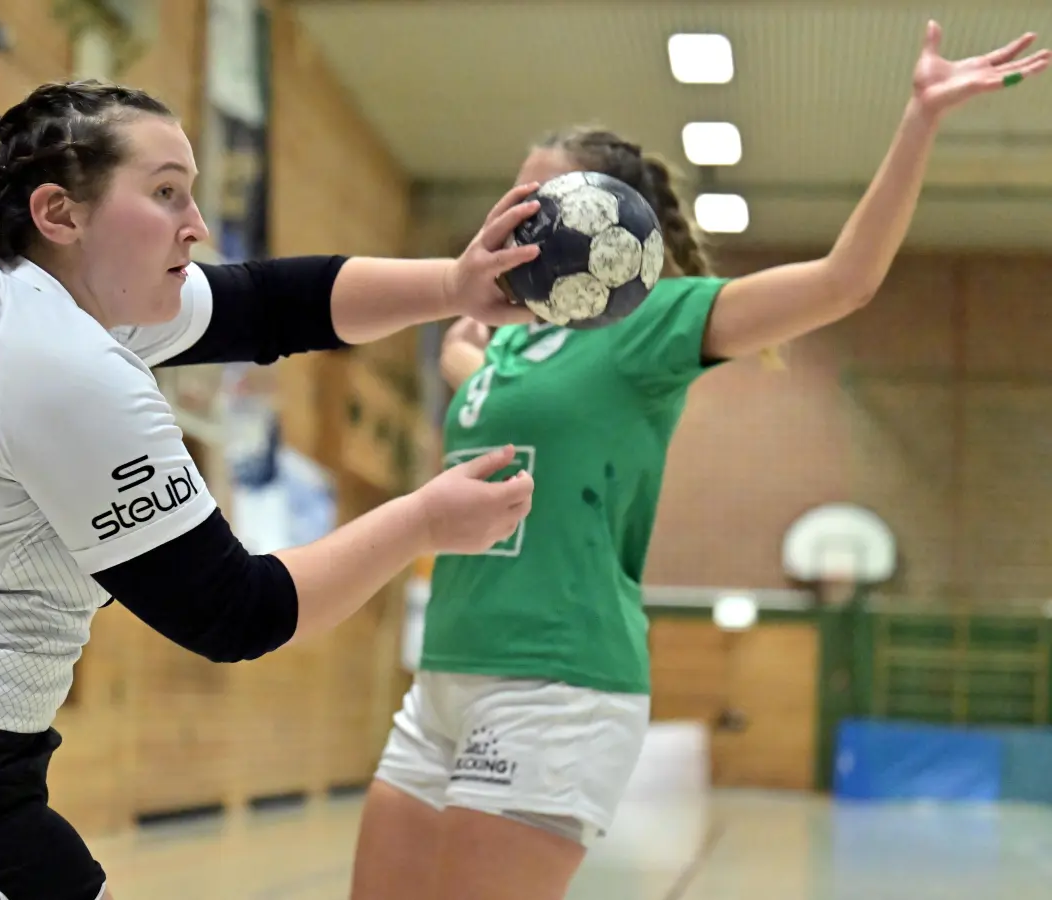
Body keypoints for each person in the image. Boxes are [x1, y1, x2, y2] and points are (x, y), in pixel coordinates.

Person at [0, 79, 549, 900]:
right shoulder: (65, 367)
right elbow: (237, 613)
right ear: (59, 213)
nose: (197, 225)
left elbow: (264, 304)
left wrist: (454, 287)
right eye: (165, 194)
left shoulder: (21, 294)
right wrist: (422, 521)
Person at [349, 22, 1047, 900]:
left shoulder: (651, 325)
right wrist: (467, 346)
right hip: (444, 673)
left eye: (535, 193)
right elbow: (481, 376)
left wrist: (920, 120)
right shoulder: (508, 352)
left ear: (595, 218)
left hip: (554, 685)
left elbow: (845, 281)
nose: (511, 207)